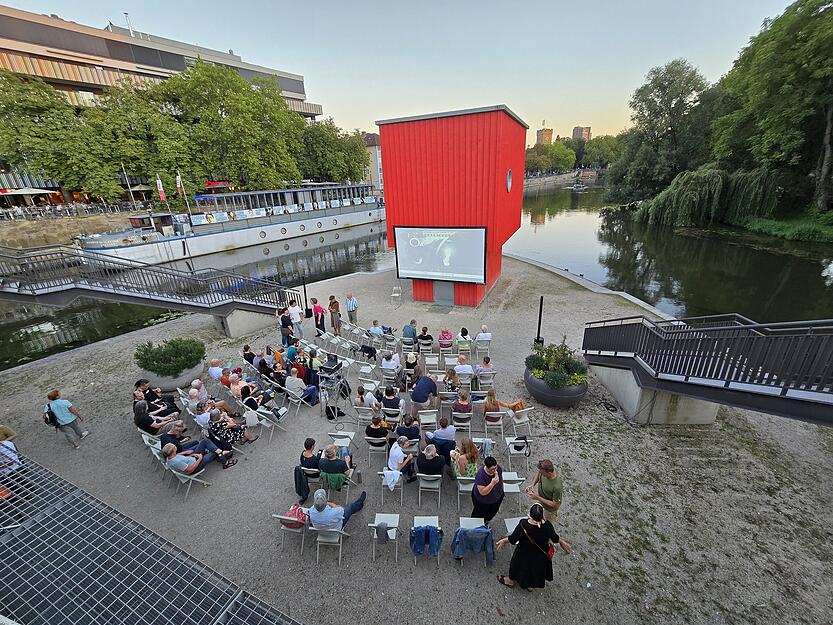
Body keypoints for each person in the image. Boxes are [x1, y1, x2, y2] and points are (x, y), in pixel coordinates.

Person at [496, 503, 572, 591]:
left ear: (530, 514)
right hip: (540, 555)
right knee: (534, 570)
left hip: (524, 553)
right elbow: (555, 538)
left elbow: (513, 538)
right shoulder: (547, 526)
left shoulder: (523, 525)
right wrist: (562, 542)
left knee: (517, 566)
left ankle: (510, 581)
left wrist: (504, 541)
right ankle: (530, 585)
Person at [527, 459, 563, 524]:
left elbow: (555, 505)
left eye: (543, 474)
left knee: (546, 527)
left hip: (549, 511)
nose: (541, 474)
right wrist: (532, 485)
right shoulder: (544, 471)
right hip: (541, 503)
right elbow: (538, 474)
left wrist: (537, 497)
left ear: (549, 473)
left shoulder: (557, 487)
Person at [162, 440, 236, 472]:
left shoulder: (169, 457)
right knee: (214, 452)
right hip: (196, 466)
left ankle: (221, 452)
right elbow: (190, 470)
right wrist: (200, 458)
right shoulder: (177, 462)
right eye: (174, 447)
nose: (176, 447)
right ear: (173, 451)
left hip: (192, 457)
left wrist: (185, 453)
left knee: (205, 441)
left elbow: (176, 456)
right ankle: (225, 463)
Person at [472, 456, 504, 525]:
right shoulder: (481, 475)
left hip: (496, 498)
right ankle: (476, 526)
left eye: (496, 467)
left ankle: (486, 521)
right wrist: (492, 483)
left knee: (492, 512)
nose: (495, 470)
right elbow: (482, 492)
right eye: (492, 469)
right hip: (482, 501)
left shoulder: (498, 469)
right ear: (487, 467)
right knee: (479, 514)